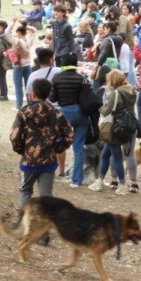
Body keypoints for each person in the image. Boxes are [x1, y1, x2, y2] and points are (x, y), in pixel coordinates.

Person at [9, 78, 73, 206]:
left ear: (33, 94)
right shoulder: (57, 113)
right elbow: (69, 135)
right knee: (46, 196)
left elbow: (14, 136)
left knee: (25, 191)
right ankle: (46, 223)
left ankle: (25, 221)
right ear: (49, 94)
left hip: (28, 160)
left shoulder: (24, 112)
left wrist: (22, 150)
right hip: (48, 161)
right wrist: (57, 149)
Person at [88, 70, 135, 196]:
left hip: (114, 128)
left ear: (113, 80)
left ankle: (122, 184)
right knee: (105, 154)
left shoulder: (116, 93)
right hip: (125, 127)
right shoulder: (131, 91)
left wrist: (99, 106)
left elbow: (107, 111)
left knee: (116, 156)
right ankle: (100, 180)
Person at [50, 53, 89, 188]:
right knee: (78, 148)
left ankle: (50, 172)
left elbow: (53, 98)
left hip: (64, 113)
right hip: (82, 114)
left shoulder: (57, 78)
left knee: (58, 143)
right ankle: (77, 180)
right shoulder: (81, 78)